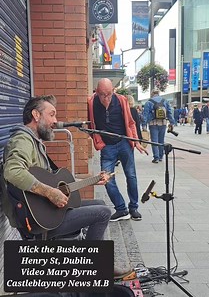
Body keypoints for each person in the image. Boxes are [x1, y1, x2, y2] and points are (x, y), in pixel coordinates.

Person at [3, 95, 111, 240]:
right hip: (37, 221)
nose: (55, 121)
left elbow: (53, 183)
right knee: (103, 212)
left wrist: (92, 180)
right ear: (36, 115)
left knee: (100, 203)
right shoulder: (22, 140)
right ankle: (94, 259)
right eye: (52, 115)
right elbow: (12, 171)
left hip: (47, 210)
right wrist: (49, 193)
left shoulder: (35, 142)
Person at [88, 78, 148, 222]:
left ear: (113, 90)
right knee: (106, 179)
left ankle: (133, 207)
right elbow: (89, 125)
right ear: (96, 92)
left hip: (124, 143)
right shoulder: (91, 103)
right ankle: (121, 209)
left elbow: (131, 123)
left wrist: (135, 141)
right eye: (103, 94)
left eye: (109, 94)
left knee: (131, 176)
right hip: (107, 147)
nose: (106, 98)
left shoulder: (121, 100)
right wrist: (98, 140)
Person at [142, 89, 175, 163]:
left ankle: (156, 157)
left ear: (152, 94)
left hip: (153, 123)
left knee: (154, 141)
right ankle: (161, 156)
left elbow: (145, 114)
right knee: (161, 140)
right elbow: (169, 112)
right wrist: (172, 122)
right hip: (163, 123)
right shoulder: (165, 101)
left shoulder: (149, 102)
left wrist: (144, 125)